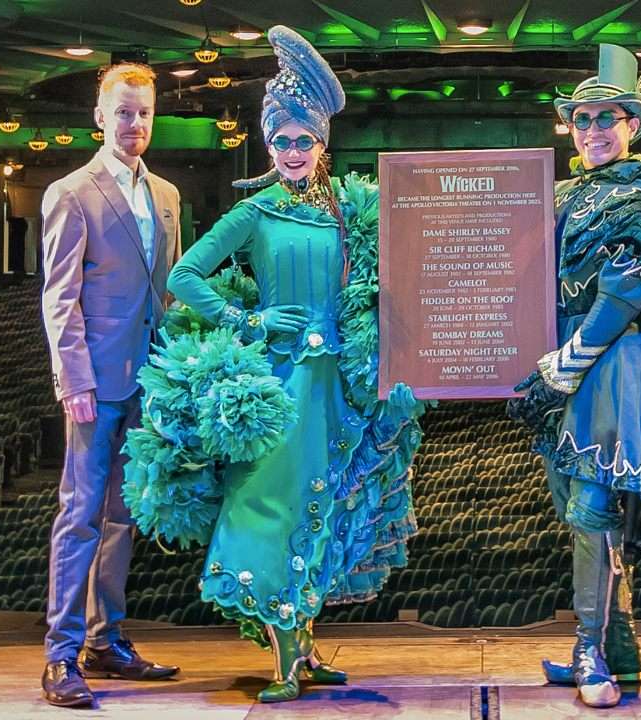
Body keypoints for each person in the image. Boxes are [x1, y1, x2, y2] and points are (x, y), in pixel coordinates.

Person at [157, 25, 425, 704]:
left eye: (303, 139)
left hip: (342, 384)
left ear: (321, 144)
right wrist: (246, 320)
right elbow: (187, 274)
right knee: (271, 509)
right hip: (281, 385)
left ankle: (304, 651)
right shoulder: (255, 211)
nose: (292, 151)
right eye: (280, 139)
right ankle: (282, 658)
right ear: (267, 143)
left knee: (325, 507)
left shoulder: (348, 211)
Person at [509, 43, 641, 709]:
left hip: (618, 364)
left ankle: (589, 651)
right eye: (583, 119)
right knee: (578, 510)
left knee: (595, 510)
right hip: (568, 366)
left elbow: (623, 297)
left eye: (607, 119)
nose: (593, 130)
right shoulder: (561, 193)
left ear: (632, 124)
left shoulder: (636, 201)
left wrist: (559, 370)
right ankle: (620, 648)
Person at [39, 62, 182, 708]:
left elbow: (169, 293)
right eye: (124, 112)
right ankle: (61, 655)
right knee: (80, 516)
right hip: (94, 386)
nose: (135, 124)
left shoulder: (169, 196)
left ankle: (107, 639)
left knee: (123, 517)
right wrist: (73, 378)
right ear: (100, 116)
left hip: (148, 382)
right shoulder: (71, 193)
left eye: (145, 112)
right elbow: (58, 299)